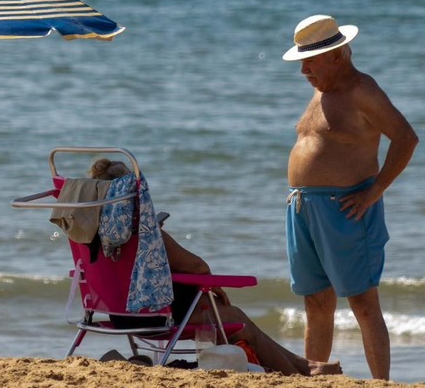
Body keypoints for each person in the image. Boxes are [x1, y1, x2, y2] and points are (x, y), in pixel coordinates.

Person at [87, 159, 340, 377]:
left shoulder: (89, 236)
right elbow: (197, 266)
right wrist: (212, 286)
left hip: (119, 317)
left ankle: (303, 364)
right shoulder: (144, 235)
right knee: (237, 318)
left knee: (225, 313)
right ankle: (298, 374)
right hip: (155, 320)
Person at [282, 15, 419, 380]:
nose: (304, 71)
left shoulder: (362, 90)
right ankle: (315, 377)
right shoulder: (321, 89)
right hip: (302, 207)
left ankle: (381, 387)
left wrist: (374, 192)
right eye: (302, 62)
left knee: (363, 302)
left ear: (338, 55)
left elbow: (406, 138)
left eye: (310, 62)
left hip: (344, 208)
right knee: (316, 300)